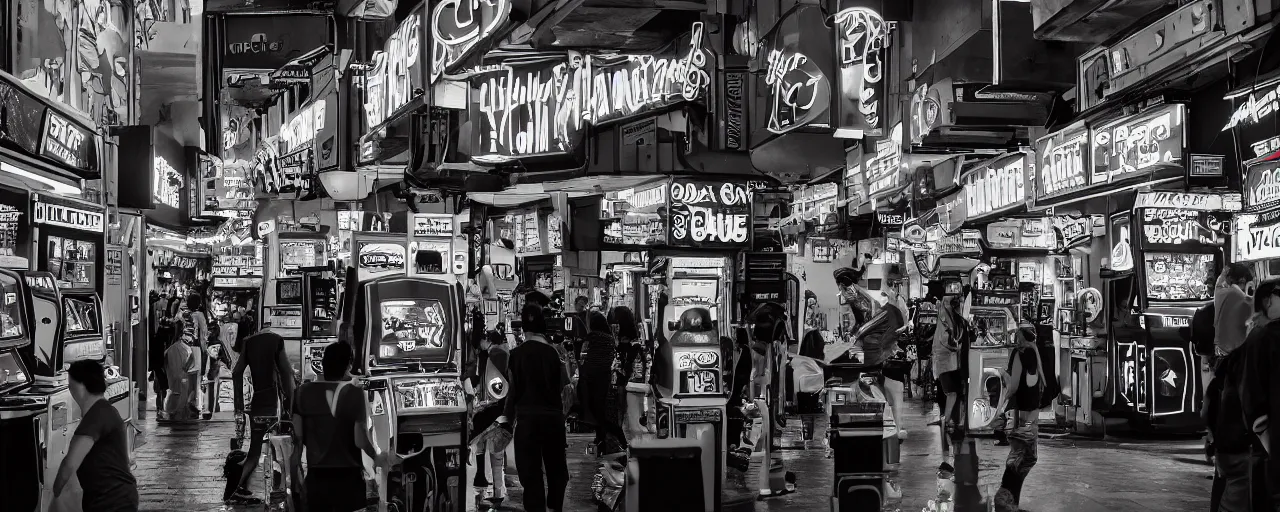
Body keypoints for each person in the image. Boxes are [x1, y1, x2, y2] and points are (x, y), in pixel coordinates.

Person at [292, 342, 386, 511]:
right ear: (348, 364)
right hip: (348, 480)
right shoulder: (354, 392)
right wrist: (377, 456)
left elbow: (297, 442)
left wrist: (295, 482)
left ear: (323, 364)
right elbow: (360, 440)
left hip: (316, 479)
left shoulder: (301, 393)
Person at [499, 304, 571, 512]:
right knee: (557, 470)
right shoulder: (555, 353)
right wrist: (561, 416)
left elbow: (512, 392)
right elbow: (566, 388)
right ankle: (554, 506)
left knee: (530, 473)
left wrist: (506, 419)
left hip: (527, 421)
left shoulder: (516, 355)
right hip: (552, 419)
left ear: (523, 329)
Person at [53, 360, 139, 511]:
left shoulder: (96, 415)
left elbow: (69, 464)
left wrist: (55, 494)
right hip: (116, 497)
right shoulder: (104, 410)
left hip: (111, 500)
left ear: (80, 386)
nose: (69, 389)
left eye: (70, 384)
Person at [229, 328, 296, 504]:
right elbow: (287, 373)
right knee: (281, 450)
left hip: (258, 402)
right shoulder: (277, 341)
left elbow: (236, 373)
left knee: (254, 452)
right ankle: (276, 491)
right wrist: (291, 403)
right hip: (274, 403)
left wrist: (239, 407)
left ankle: (238, 488)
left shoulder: (248, 343)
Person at [994, 323, 1045, 512]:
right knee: (1024, 456)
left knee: (1024, 457)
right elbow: (1031, 384)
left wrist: (1002, 375)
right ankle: (1006, 501)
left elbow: (1014, 385)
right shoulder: (1035, 353)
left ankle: (1008, 501)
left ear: (1020, 337)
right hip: (1029, 411)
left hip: (1022, 412)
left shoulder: (1020, 353)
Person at [470, 330, 511, 507]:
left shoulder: (495, 353)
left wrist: (485, 402)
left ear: (486, 340)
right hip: (496, 406)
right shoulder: (499, 352)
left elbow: (495, 382)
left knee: (490, 446)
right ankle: (494, 489)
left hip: (494, 407)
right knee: (494, 449)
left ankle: (495, 490)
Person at [579, 311, 626, 456]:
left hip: (590, 379)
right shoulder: (610, 339)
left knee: (595, 412)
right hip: (604, 378)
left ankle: (617, 439)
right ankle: (603, 440)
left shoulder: (591, 338)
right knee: (602, 410)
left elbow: (582, 357)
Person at [933, 294, 968, 476]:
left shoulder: (949, 319)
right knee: (952, 395)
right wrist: (957, 347)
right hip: (947, 365)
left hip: (949, 366)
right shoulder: (946, 321)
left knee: (953, 396)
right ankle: (947, 422)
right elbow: (946, 341)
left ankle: (949, 423)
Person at [1216, 264, 1255, 358]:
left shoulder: (1219, 293)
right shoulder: (1246, 302)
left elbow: (1219, 282)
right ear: (1243, 280)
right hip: (1238, 355)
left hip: (1221, 351)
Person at [163, 323, 196, 421]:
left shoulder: (185, 348)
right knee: (177, 396)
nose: (190, 338)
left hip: (181, 377)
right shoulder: (176, 348)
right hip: (178, 378)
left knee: (180, 397)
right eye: (188, 335)